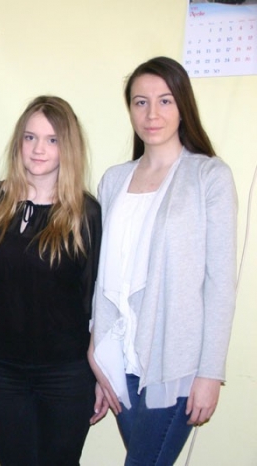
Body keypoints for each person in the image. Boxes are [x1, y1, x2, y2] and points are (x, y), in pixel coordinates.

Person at [89, 56, 238, 465]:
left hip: (176, 361)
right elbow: (100, 276)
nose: (152, 114)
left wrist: (210, 372)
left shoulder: (209, 176)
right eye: (141, 102)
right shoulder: (113, 180)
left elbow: (220, 283)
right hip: (117, 359)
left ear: (183, 106)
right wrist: (97, 357)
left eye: (165, 101)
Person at [0, 95, 101, 465]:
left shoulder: (85, 212)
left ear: (68, 146)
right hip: (3, 372)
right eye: (30, 137)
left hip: (66, 373)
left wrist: (99, 374)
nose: (38, 149)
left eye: (52, 140)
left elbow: (93, 300)